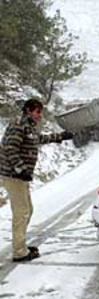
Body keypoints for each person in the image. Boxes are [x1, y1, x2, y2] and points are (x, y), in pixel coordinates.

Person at [0, 99, 73, 262]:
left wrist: (59, 136)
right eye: (37, 112)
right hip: (14, 176)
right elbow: (9, 148)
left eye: (41, 112)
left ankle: (21, 246)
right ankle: (19, 252)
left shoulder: (28, 127)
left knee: (27, 211)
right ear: (28, 111)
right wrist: (21, 169)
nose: (40, 115)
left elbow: (38, 139)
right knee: (22, 213)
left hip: (20, 177)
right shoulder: (18, 125)